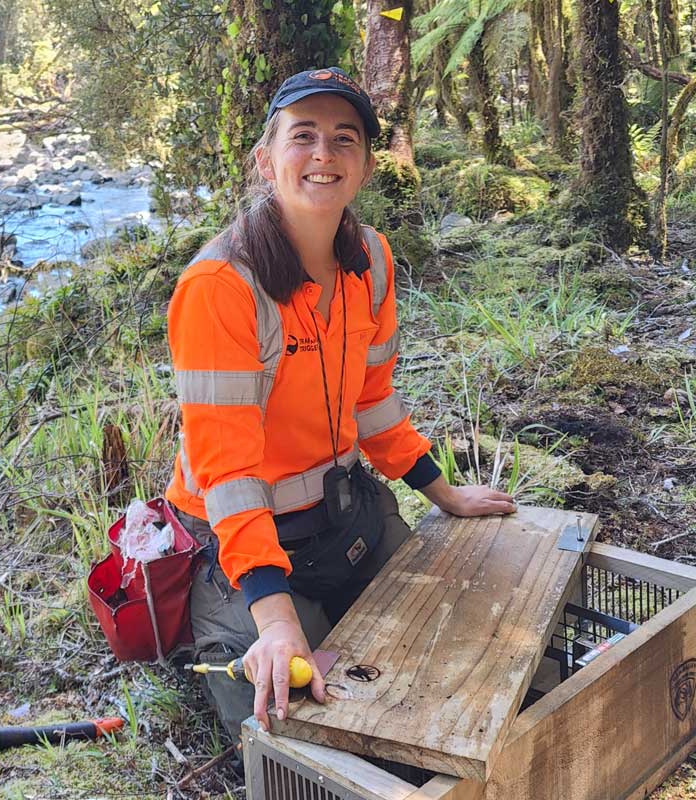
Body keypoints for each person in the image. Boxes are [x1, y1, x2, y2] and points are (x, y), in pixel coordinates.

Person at [164, 67, 517, 740]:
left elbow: (373, 401)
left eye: (344, 138)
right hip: (244, 540)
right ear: (266, 160)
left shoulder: (371, 260)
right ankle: (242, 620)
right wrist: (275, 620)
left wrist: (443, 493)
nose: (323, 154)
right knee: (293, 707)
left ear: (366, 166)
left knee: (448, 641)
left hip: (343, 515)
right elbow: (228, 473)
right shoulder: (221, 286)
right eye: (303, 136)